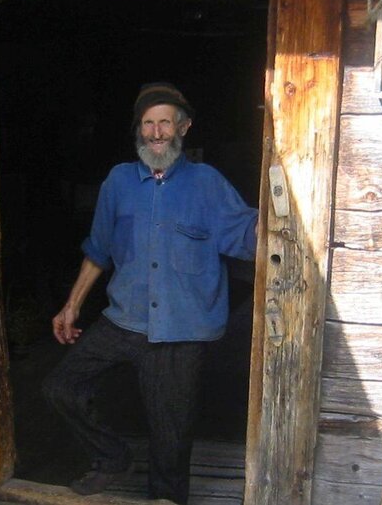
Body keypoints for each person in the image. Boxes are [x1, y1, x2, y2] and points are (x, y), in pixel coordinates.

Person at [42, 82, 258, 504]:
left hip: (181, 330)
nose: (156, 132)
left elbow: (247, 234)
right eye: (147, 124)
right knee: (60, 387)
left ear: (184, 127)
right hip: (124, 320)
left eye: (165, 123)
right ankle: (112, 457)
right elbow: (99, 250)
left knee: (169, 439)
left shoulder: (207, 183)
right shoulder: (118, 181)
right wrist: (71, 307)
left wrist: (286, 216)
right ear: (138, 130)